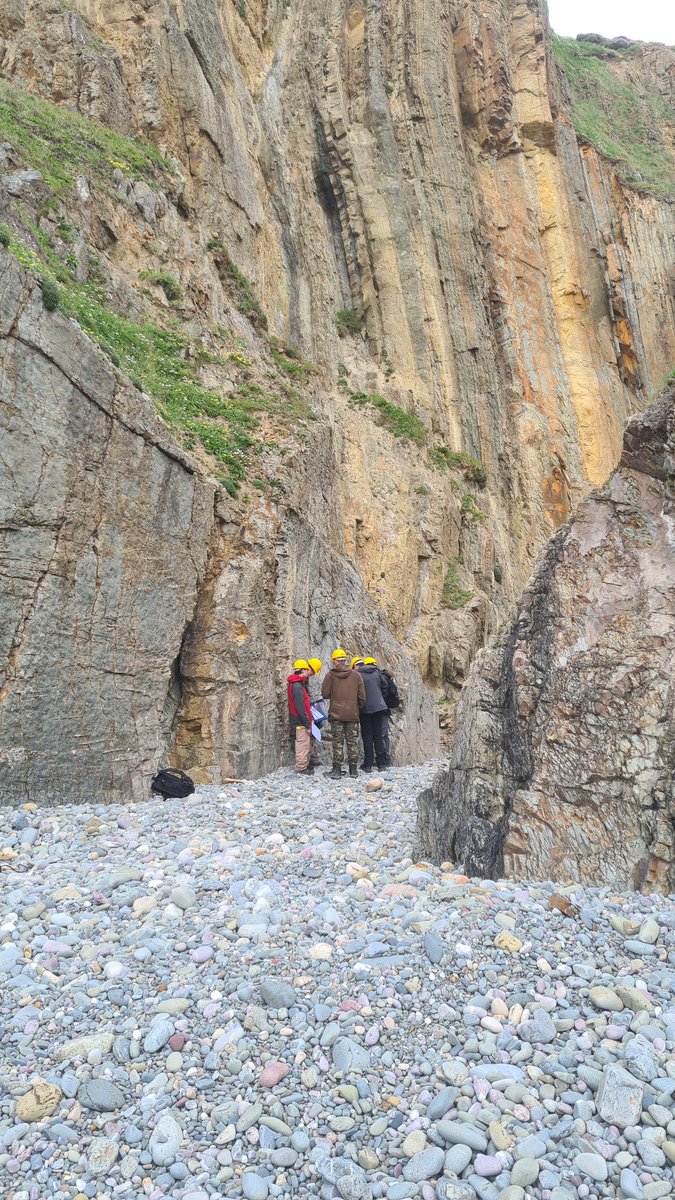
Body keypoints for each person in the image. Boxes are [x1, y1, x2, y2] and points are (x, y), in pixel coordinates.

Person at [321, 648, 366, 778]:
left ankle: (336, 771)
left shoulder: (330, 675)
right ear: (345, 660)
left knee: (338, 741)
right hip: (352, 713)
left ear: (335, 661)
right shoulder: (356, 675)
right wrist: (357, 709)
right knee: (352, 741)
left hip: (336, 713)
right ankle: (353, 771)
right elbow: (362, 696)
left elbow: (325, 694)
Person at [363, 655, 401, 764]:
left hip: (372, 709)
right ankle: (384, 759)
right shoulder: (381, 675)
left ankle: (382, 760)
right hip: (383, 709)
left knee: (375, 735)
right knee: (381, 734)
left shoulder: (369, 676)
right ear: (375, 664)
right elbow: (386, 690)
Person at [287, 658, 322, 774]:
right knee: (302, 743)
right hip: (299, 720)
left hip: (302, 719)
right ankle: (301, 768)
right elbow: (300, 707)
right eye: (307, 670)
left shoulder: (298, 684)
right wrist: (307, 722)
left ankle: (305, 765)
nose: (308, 672)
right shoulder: (297, 686)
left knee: (306, 742)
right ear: (303, 670)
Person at [357, 656, 391, 772]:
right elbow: (385, 687)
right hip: (379, 708)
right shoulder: (377, 673)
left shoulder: (358, 675)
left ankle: (368, 765)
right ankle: (382, 764)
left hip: (365, 709)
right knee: (378, 736)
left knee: (367, 737)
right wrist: (380, 699)